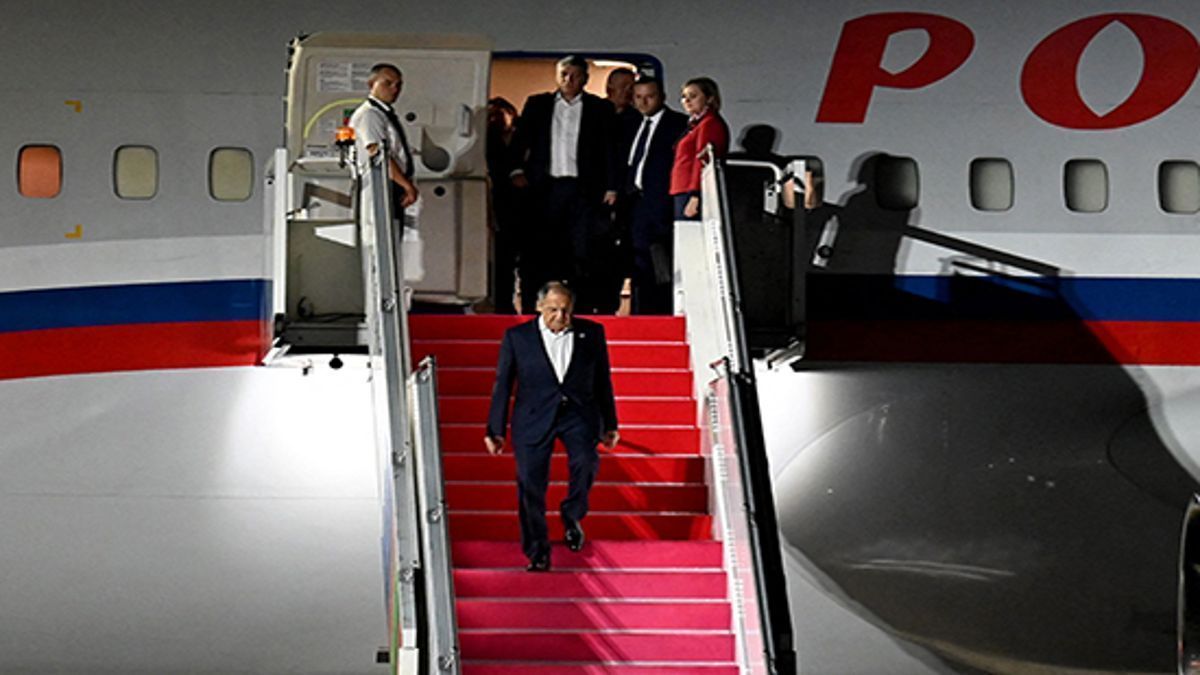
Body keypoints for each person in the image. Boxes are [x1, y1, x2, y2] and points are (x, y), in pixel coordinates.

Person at [484, 281, 619, 572]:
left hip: (578, 414)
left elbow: (602, 380)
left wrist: (610, 423)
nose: (560, 316)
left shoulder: (591, 333)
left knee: (586, 462)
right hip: (533, 417)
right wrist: (495, 429)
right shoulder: (518, 337)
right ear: (539, 307)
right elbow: (503, 383)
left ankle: (572, 514)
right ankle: (538, 551)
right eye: (553, 310)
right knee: (530, 485)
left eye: (566, 310)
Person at [510, 56, 620, 314]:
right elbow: (520, 140)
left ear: (585, 79)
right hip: (545, 189)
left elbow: (610, 150)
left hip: (584, 191)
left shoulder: (599, 108)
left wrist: (612, 186)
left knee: (582, 251)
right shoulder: (538, 104)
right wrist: (515, 170)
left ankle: (580, 309)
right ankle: (535, 308)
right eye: (564, 74)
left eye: (575, 75)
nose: (569, 80)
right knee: (540, 249)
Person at [619, 76, 688, 314]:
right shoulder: (629, 123)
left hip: (661, 205)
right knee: (637, 263)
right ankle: (640, 312)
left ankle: (660, 312)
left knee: (661, 264)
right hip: (633, 204)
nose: (644, 102)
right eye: (638, 97)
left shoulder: (678, 124)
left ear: (662, 97)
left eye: (650, 96)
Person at [349, 63, 419, 217]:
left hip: (391, 184)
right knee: (379, 229)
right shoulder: (370, 115)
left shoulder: (384, 114)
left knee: (393, 228)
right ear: (371, 84)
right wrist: (407, 186)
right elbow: (378, 154)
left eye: (398, 85)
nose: (394, 89)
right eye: (387, 83)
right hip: (379, 185)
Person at [669, 77, 730, 220]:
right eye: (684, 97)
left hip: (692, 191)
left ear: (709, 98)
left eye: (693, 96)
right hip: (682, 188)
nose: (687, 101)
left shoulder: (709, 123)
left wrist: (695, 194)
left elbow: (703, 160)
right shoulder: (694, 125)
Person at [486, 97, 522, 313]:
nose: (495, 120)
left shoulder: (521, 138)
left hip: (523, 207)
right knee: (502, 260)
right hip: (501, 205)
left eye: (498, 114)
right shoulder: (490, 143)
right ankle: (502, 305)